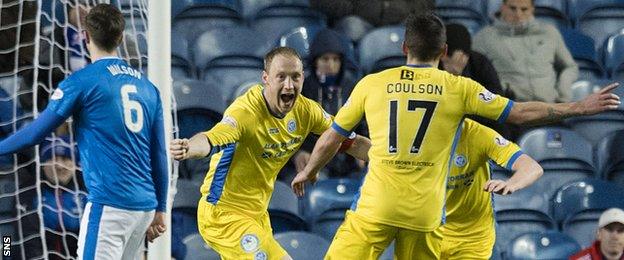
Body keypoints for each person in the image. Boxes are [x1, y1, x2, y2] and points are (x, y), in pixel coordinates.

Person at [291, 13, 619, 259]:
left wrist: (310, 170)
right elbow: (519, 113)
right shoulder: (458, 88)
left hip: (378, 205)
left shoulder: (372, 83)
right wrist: (577, 106)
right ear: (444, 51)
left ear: (405, 47)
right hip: (425, 215)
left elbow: (332, 136)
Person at [169, 47, 371, 260]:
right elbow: (211, 139)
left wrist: (389, 158)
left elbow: (351, 142)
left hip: (257, 215)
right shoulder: (245, 112)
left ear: (303, 78)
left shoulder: (306, 111)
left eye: (295, 77)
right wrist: (189, 147)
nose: (288, 85)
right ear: (266, 78)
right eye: (281, 77)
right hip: (223, 214)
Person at [0, 4, 168, 259]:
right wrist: (161, 208)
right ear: (121, 38)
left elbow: (35, 134)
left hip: (111, 206)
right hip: (144, 207)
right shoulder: (148, 88)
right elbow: (159, 153)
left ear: (86, 36)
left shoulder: (82, 81)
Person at [435, 119, 543, 259]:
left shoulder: (479, 134)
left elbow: (532, 168)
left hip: (472, 238)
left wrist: (511, 184)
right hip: (426, 232)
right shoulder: (410, 137)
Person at [473, 0, 578, 103]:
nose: (518, 14)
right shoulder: (484, 37)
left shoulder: (549, 33)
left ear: (532, 9)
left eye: (524, 9)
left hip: (549, 109)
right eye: (512, 8)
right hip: (508, 111)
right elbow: (474, 74)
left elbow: (570, 66)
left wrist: (563, 94)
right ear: (502, 7)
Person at [293, 28, 363, 179]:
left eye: (335, 59)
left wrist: (363, 150)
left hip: (348, 161)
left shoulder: (352, 87)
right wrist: (298, 152)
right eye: (325, 59)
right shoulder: (303, 88)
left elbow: (364, 123)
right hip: (314, 160)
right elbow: (291, 127)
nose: (331, 65)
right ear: (315, 61)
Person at [439, 23, 510, 138]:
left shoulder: (480, 63)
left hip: (480, 123)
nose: (461, 60)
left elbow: (497, 99)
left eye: (464, 56)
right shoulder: (432, 65)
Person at [37, 136, 88, 260]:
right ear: (43, 164)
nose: (59, 166)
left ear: (76, 165)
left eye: (65, 159)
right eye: (53, 158)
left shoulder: (88, 196)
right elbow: (7, 237)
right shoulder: (27, 194)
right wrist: (6, 255)